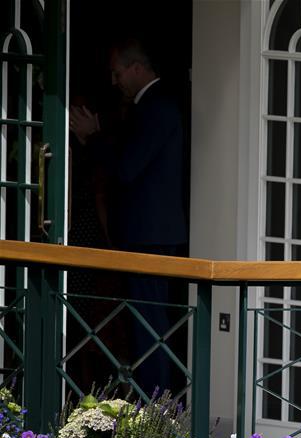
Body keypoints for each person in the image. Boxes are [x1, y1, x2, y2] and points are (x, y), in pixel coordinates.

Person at [69, 38, 187, 396]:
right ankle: (153, 401)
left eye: (117, 72)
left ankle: (156, 406)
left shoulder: (157, 106)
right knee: (144, 324)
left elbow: (127, 168)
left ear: (136, 68)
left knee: (149, 327)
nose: (114, 80)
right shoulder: (146, 106)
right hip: (146, 233)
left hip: (150, 235)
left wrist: (92, 138)